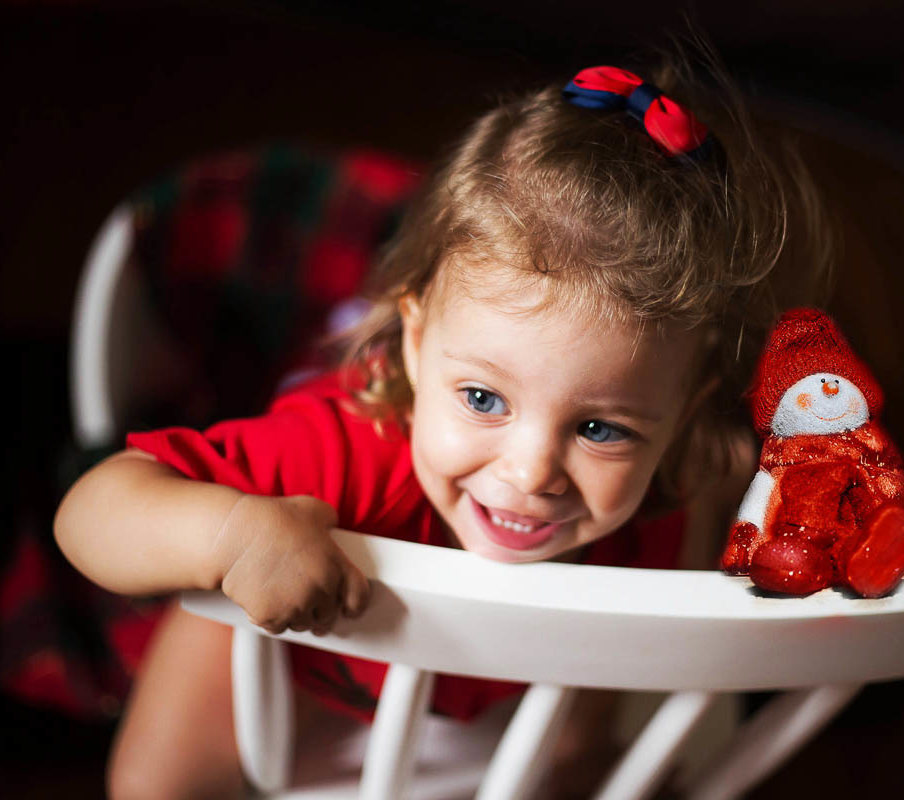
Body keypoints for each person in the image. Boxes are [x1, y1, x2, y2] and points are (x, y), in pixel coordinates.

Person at [55, 58, 832, 799]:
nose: (530, 472)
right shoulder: (339, 457)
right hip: (287, 645)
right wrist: (232, 538)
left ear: (680, 417)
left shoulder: (660, 497)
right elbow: (91, 508)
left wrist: (583, 753)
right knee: (150, 787)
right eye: (484, 399)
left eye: (600, 428)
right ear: (414, 343)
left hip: (473, 677)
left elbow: (624, 626)